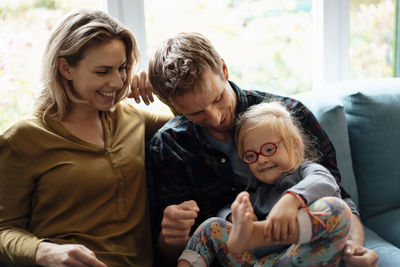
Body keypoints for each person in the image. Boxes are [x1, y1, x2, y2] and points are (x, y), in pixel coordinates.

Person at [146, 32, 378, 266]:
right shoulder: (170, 146)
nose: (215, 118)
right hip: (244, 259)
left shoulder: (289, 116)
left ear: (224, 70)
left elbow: (336, 195)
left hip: (303, 253)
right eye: (196, 113)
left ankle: (260, 234)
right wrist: (174, 237)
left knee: (332, 209)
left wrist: (354, 249)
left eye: (217, 98)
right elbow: (175, 246)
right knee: (211, 227)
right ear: (174, 107)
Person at [0, 9, 169, 267]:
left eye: (122, 68)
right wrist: (44, 252)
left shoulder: (133, 118)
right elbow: (4, 230)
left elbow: (202, 124)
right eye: (102, 72)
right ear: (65, 67)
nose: (117, 81)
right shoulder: (23, 138)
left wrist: (163, 87)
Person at [177, 101, 352, 266]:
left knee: (337, 209)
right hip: (263, 263)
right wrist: (233, 217)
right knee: (212, 227)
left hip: (310, 259)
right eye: (251, 156)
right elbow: (225, 210)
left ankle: (257, 235)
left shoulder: (306, 171)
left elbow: (324, 180)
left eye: (269, 149)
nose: (261, 160)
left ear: (295, 145)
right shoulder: (260, 194)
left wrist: (291, 200)